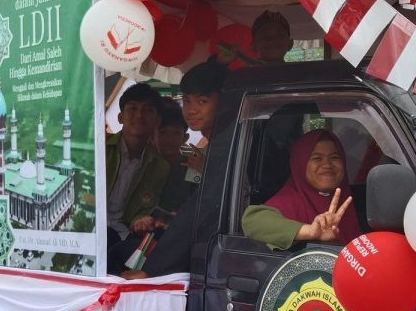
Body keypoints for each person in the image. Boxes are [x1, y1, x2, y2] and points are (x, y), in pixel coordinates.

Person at [120, 62, 227, 278]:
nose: (191, 110)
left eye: (202, 101)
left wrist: (151, 270)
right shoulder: (217, 142)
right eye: (187, 101)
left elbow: (201, 208)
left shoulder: (224, 146)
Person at [241, 129, 360, 249]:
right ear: (300, 164)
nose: (327, 165)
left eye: (334, 157)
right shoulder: (288, 201)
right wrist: (310, 231)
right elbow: (252, 222)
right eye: (317, 158)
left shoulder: (353, 201)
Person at [105, 83, 170, 269]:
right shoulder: (99, 149)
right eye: (132, 108)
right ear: (120, 116)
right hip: (90, 230)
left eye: (147, 110)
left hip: (124, 234)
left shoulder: (160, 166)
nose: (139, 115)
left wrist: (140, 219)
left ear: (157, 120)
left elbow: (147, 206)